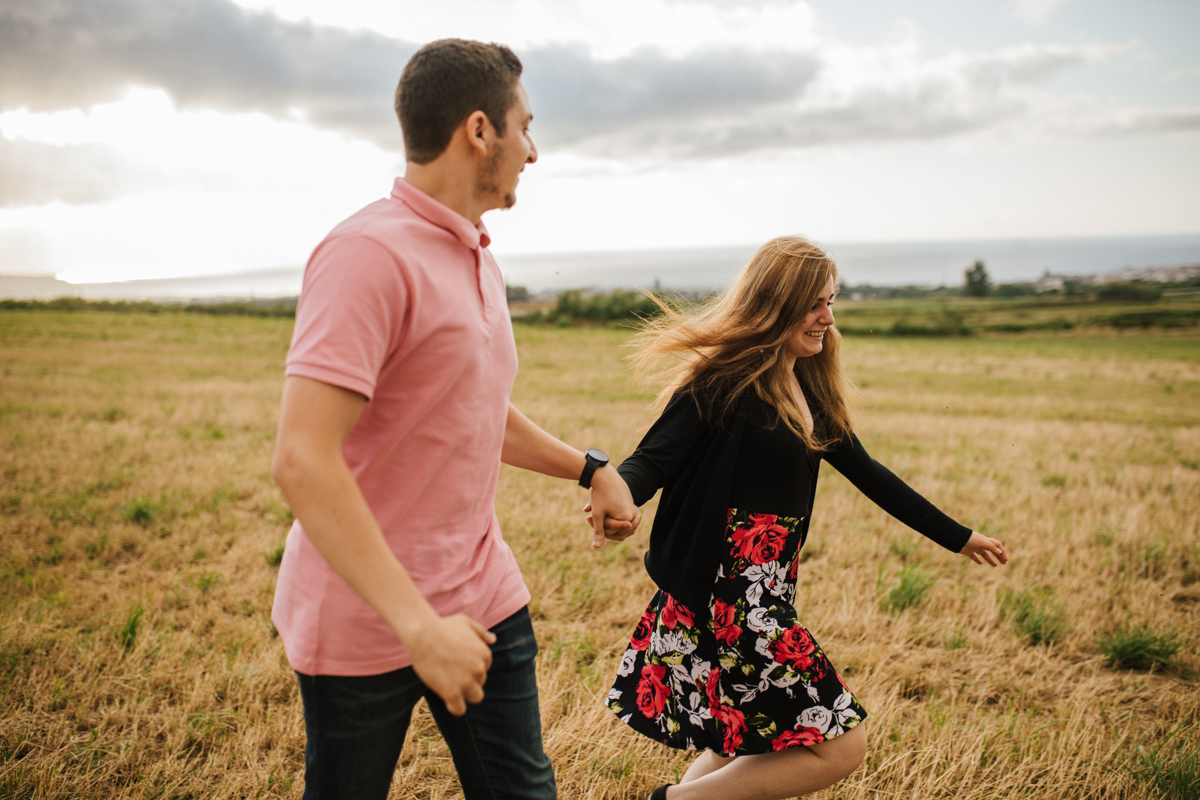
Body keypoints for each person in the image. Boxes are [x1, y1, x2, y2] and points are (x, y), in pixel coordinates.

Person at [270, 39, 639, 800]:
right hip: (366, 619)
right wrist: (418, 627)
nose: (532, 151)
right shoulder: (366, 254)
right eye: (524, 127)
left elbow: (472, 413)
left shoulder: (479, 257)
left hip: (484, 594)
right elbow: (303, 460)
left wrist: (590, 468)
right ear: (480, 131)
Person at [603, 236, 1009, 800]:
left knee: (739, 739)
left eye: (832, 301)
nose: (828, 317)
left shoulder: (809, 390)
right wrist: (618, 492)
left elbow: (870, 474)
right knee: (841, 745)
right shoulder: (722, 382)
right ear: (777, 304)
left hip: (766, 592)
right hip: (728, 596)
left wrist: (959, 537)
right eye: (816, 303)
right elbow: (654, 458)